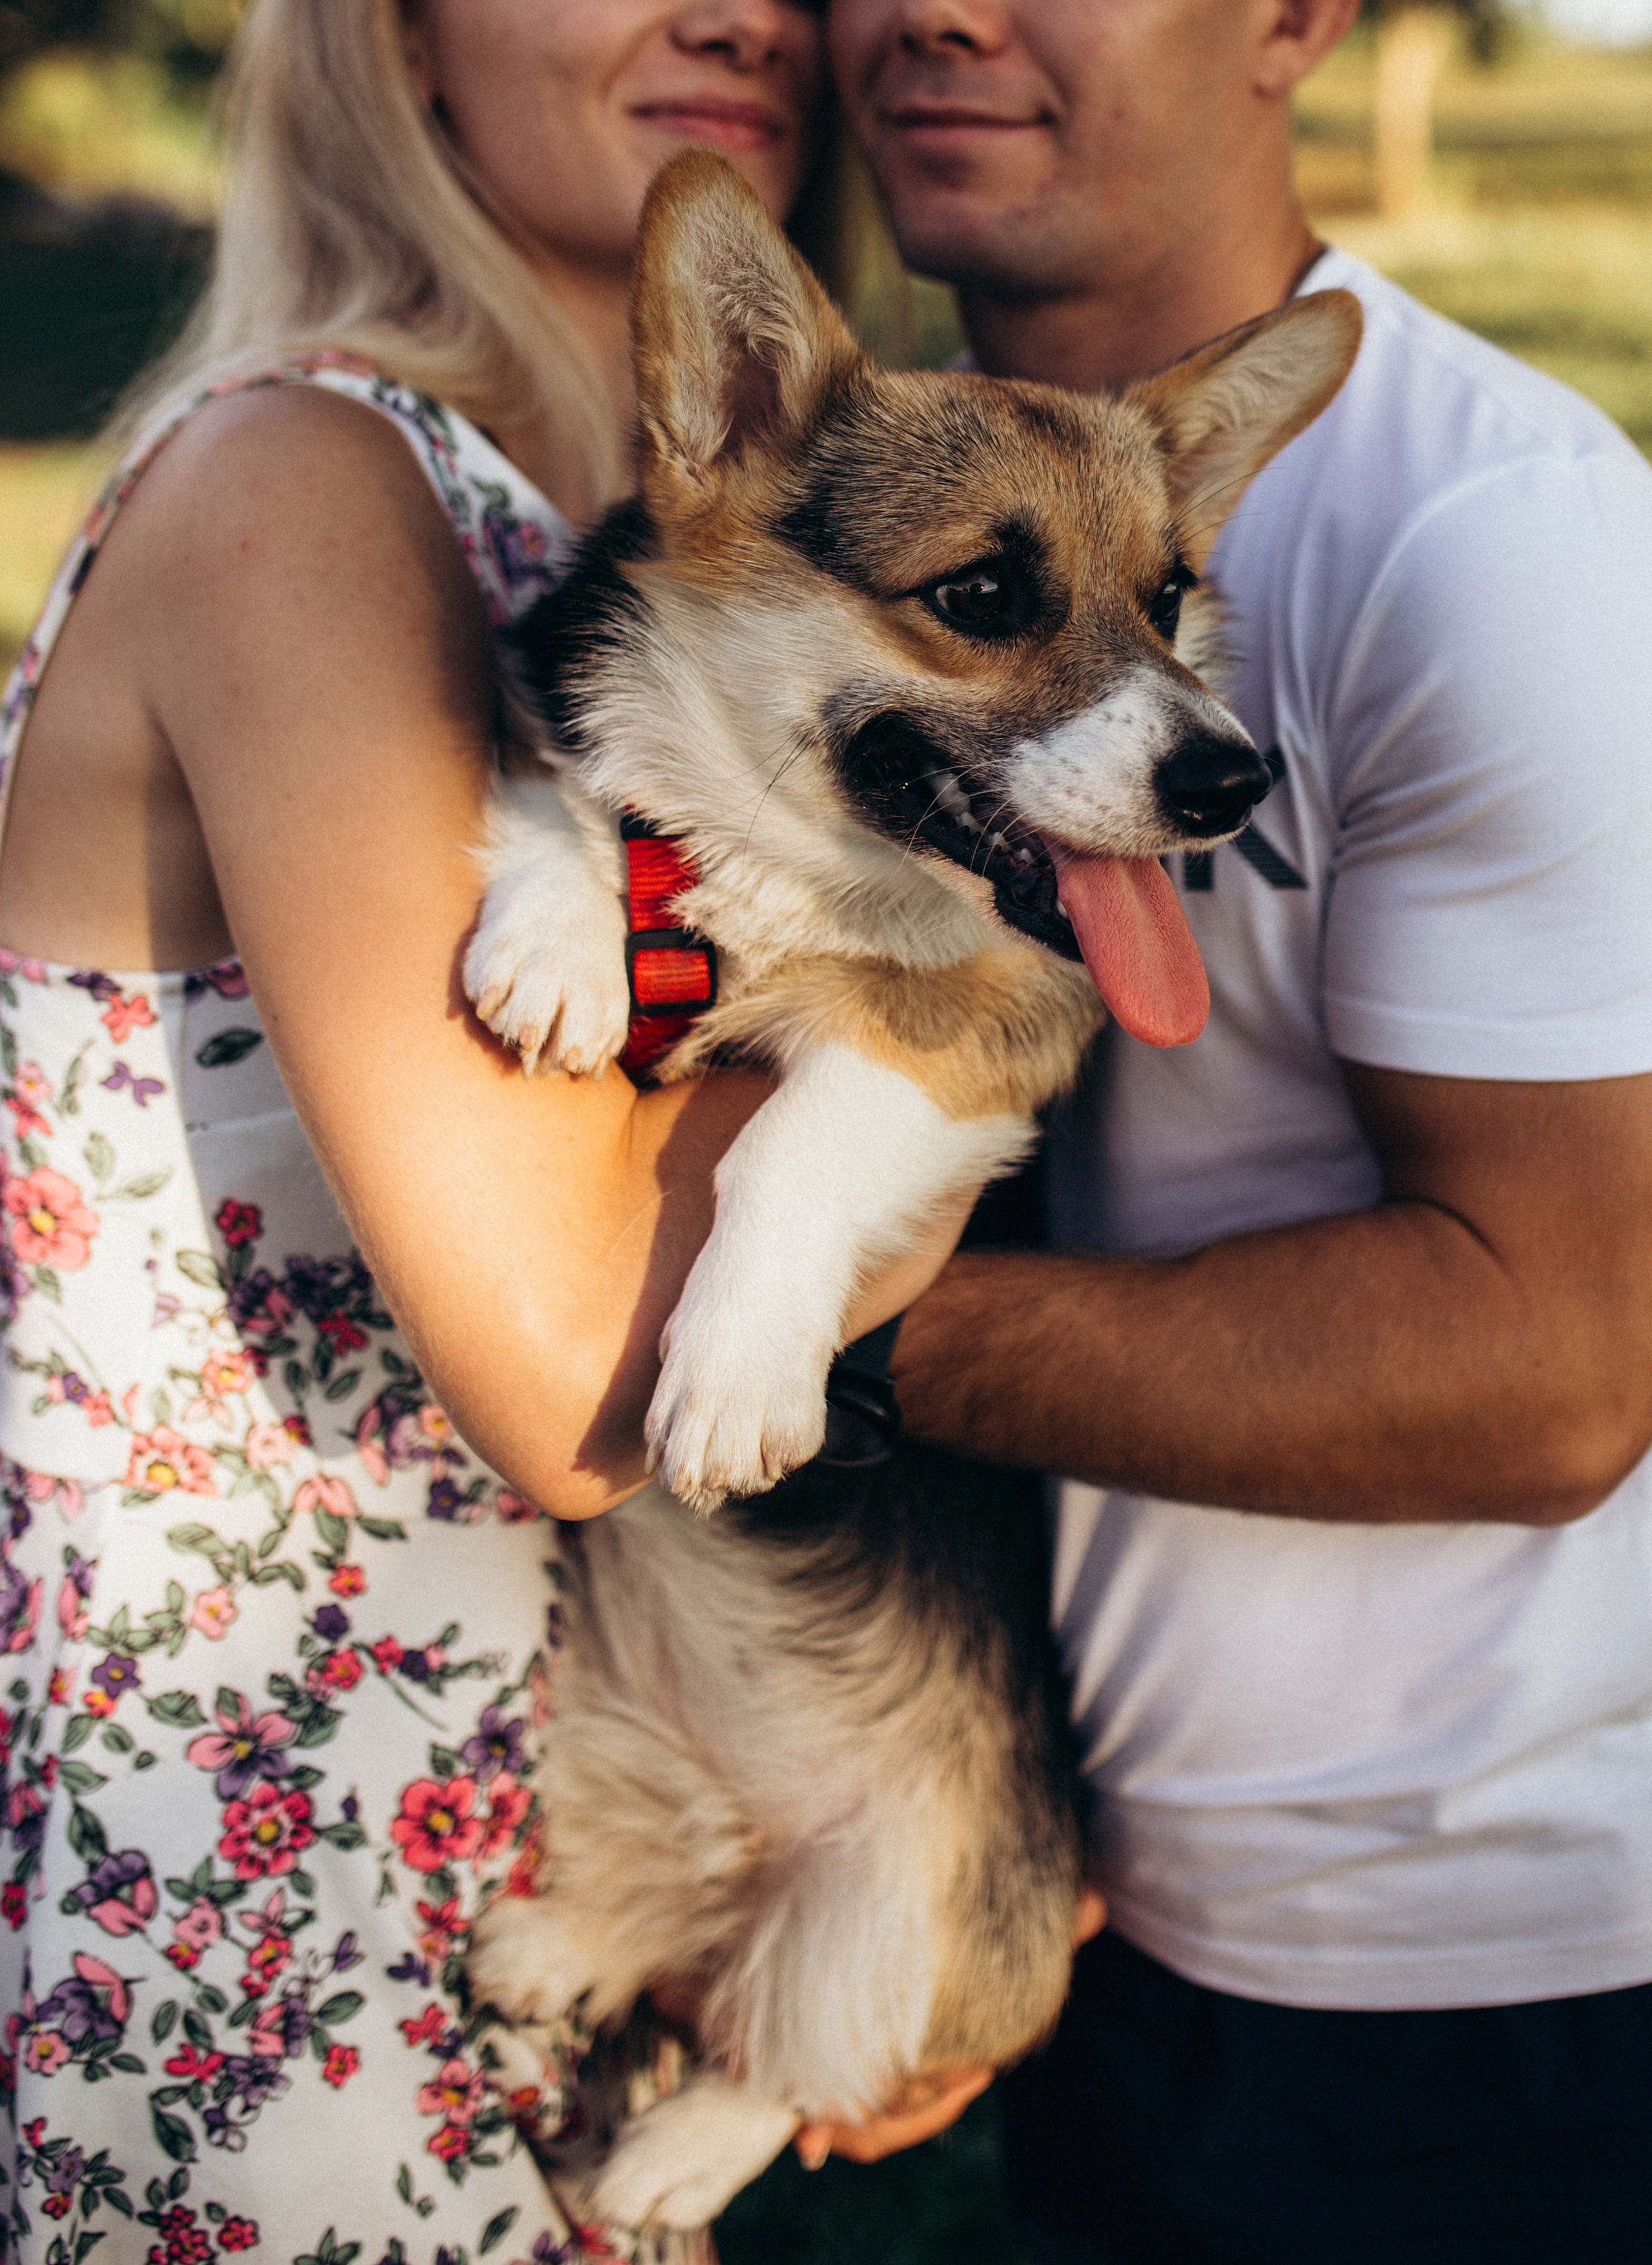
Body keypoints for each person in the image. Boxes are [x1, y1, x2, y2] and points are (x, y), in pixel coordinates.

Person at [0, 4, 972, 2257]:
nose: (736, 14)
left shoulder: (603, 558)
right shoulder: (309, 488)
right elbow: (577, 1367)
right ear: (400, 35)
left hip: (528, 1854)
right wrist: (960, 1045)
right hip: (257, 1889)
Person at [820, 2, 1652, 2259]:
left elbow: (1555, 1365)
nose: (932, 14)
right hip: (1126, 1905)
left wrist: (791, 1315)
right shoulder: (850, 535)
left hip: (1492, 2001)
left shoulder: (1487, 538)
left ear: (1298, 20)